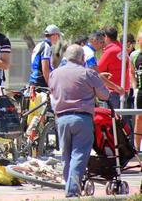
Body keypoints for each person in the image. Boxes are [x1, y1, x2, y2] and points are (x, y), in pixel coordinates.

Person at [49, 44, 109, 197]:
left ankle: (69, 187)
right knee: (79, 155)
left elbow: (52, 94)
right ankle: (72, 191)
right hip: (82, 118)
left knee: (66, 156)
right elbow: (105, 95)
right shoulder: (87, 73)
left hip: (61, 119)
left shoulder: (54, 74)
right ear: (82, 58)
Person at [98, 26, 130, 108]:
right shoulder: (121, 48)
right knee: (122, 119)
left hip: (113, 92)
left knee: (110, 119)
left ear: (106, 37)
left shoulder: (110, 51)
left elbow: (97, 70)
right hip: (123, 90)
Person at [131, 31, 142, 150]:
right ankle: (137, 148)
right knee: (139, 119)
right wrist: (134, 88)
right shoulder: (134, 55)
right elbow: (131, 72)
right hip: (140, 91)